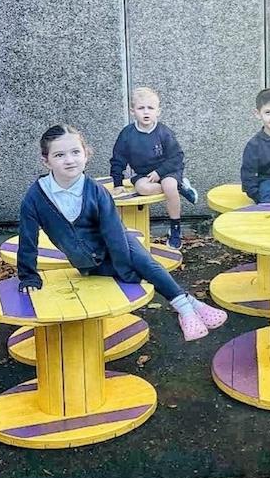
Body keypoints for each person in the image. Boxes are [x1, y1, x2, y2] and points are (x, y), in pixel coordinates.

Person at [18, 124, 227, 342]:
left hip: (118, 245)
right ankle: (191, 303)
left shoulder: (96, 191)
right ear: (46, 161)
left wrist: (125, 269)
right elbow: (27, 237)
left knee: (145, 263)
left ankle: (184, 308)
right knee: (140, 272)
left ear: (86, 155)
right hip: (88, 262)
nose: (69, 160)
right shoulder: (36, 197)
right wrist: (28, 276)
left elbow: (114, 234)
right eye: (59, 155)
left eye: (75, 152)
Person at [109, 86, 199, 250]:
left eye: (150, 108)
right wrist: (118, 183)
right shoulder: (127, 134)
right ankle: (181, 187)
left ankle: (175, 228)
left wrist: (160, 173)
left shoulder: (164, 133)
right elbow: (117, 159)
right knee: (142, 188)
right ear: (132, 111)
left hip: (168, 170)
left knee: (169, 185)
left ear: (158, 111)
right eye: (141, 108)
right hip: (144, 174)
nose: (146, 112)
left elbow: (177, 157)